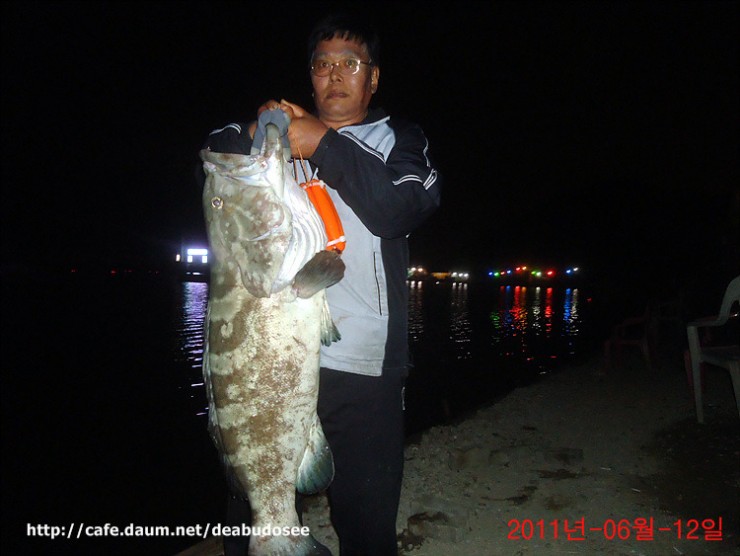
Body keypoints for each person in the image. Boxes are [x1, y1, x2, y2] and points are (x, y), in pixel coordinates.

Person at [200, 13, 442, 555]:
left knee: (365, 520)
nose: (334, 74)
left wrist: (323, 144)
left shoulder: (399, 139)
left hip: (361, 365)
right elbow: (213, 161)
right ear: (309, 76)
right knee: (251, 504)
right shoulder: (275, 148)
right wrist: (259, 129)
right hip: (270, 360)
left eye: (349, 64)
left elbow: (402, 207)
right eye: (322, 64)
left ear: (373, 77)